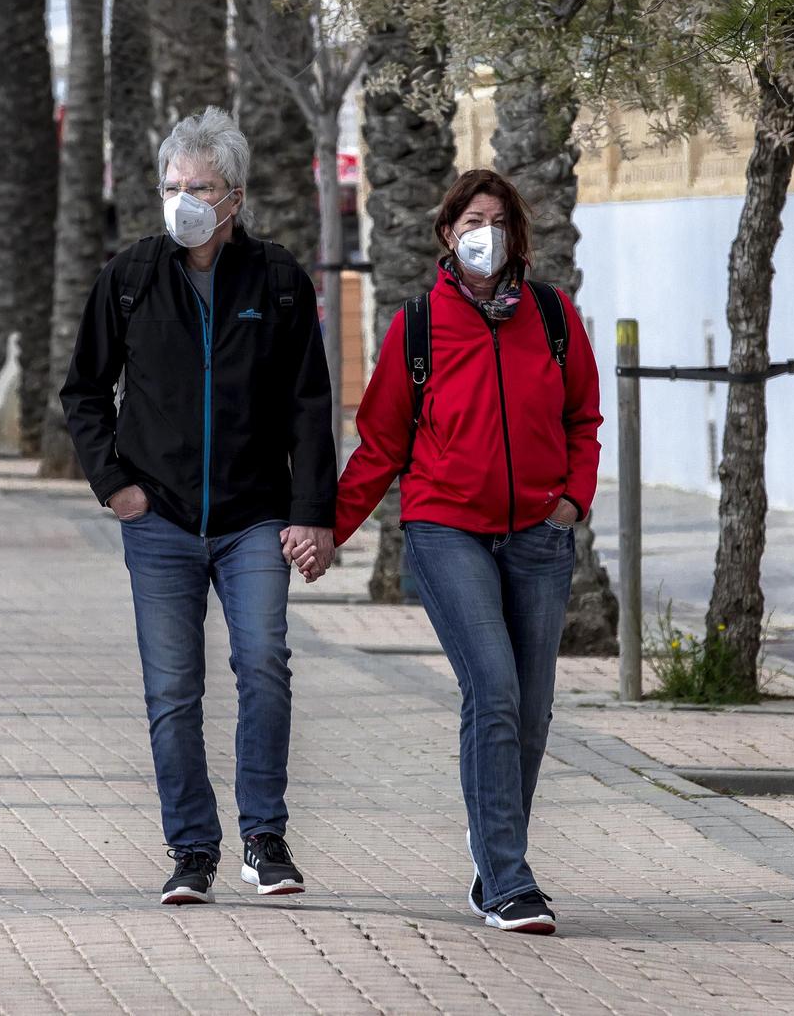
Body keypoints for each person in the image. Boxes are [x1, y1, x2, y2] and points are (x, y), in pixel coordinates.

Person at [313, 168, 601, 936]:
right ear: (448, 232)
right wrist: (329, 532)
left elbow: (583, 417)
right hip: (447, 531)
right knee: (496, 691)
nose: (488, 233)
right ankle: (509, 880)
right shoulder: (417, 328)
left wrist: (575, 496)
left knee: (532, 711)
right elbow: (378, 446)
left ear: (517, 238)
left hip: (540, 533)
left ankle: (494, 858)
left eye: (501, 221)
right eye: (475, 219)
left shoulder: (552, 315)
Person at [60, 107, 337, 908]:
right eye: (173, 186)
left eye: (201, 187)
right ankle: (191, 848)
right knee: (173, 689)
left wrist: (311, 510)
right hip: (161, 522)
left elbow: (310, 404)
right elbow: (83, 388)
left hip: (255, 517)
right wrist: (115, 483)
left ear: (235, 198)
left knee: (264, 665)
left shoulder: (279, 281)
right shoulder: (132, 276)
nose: (185, 199)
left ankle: (264, 837)